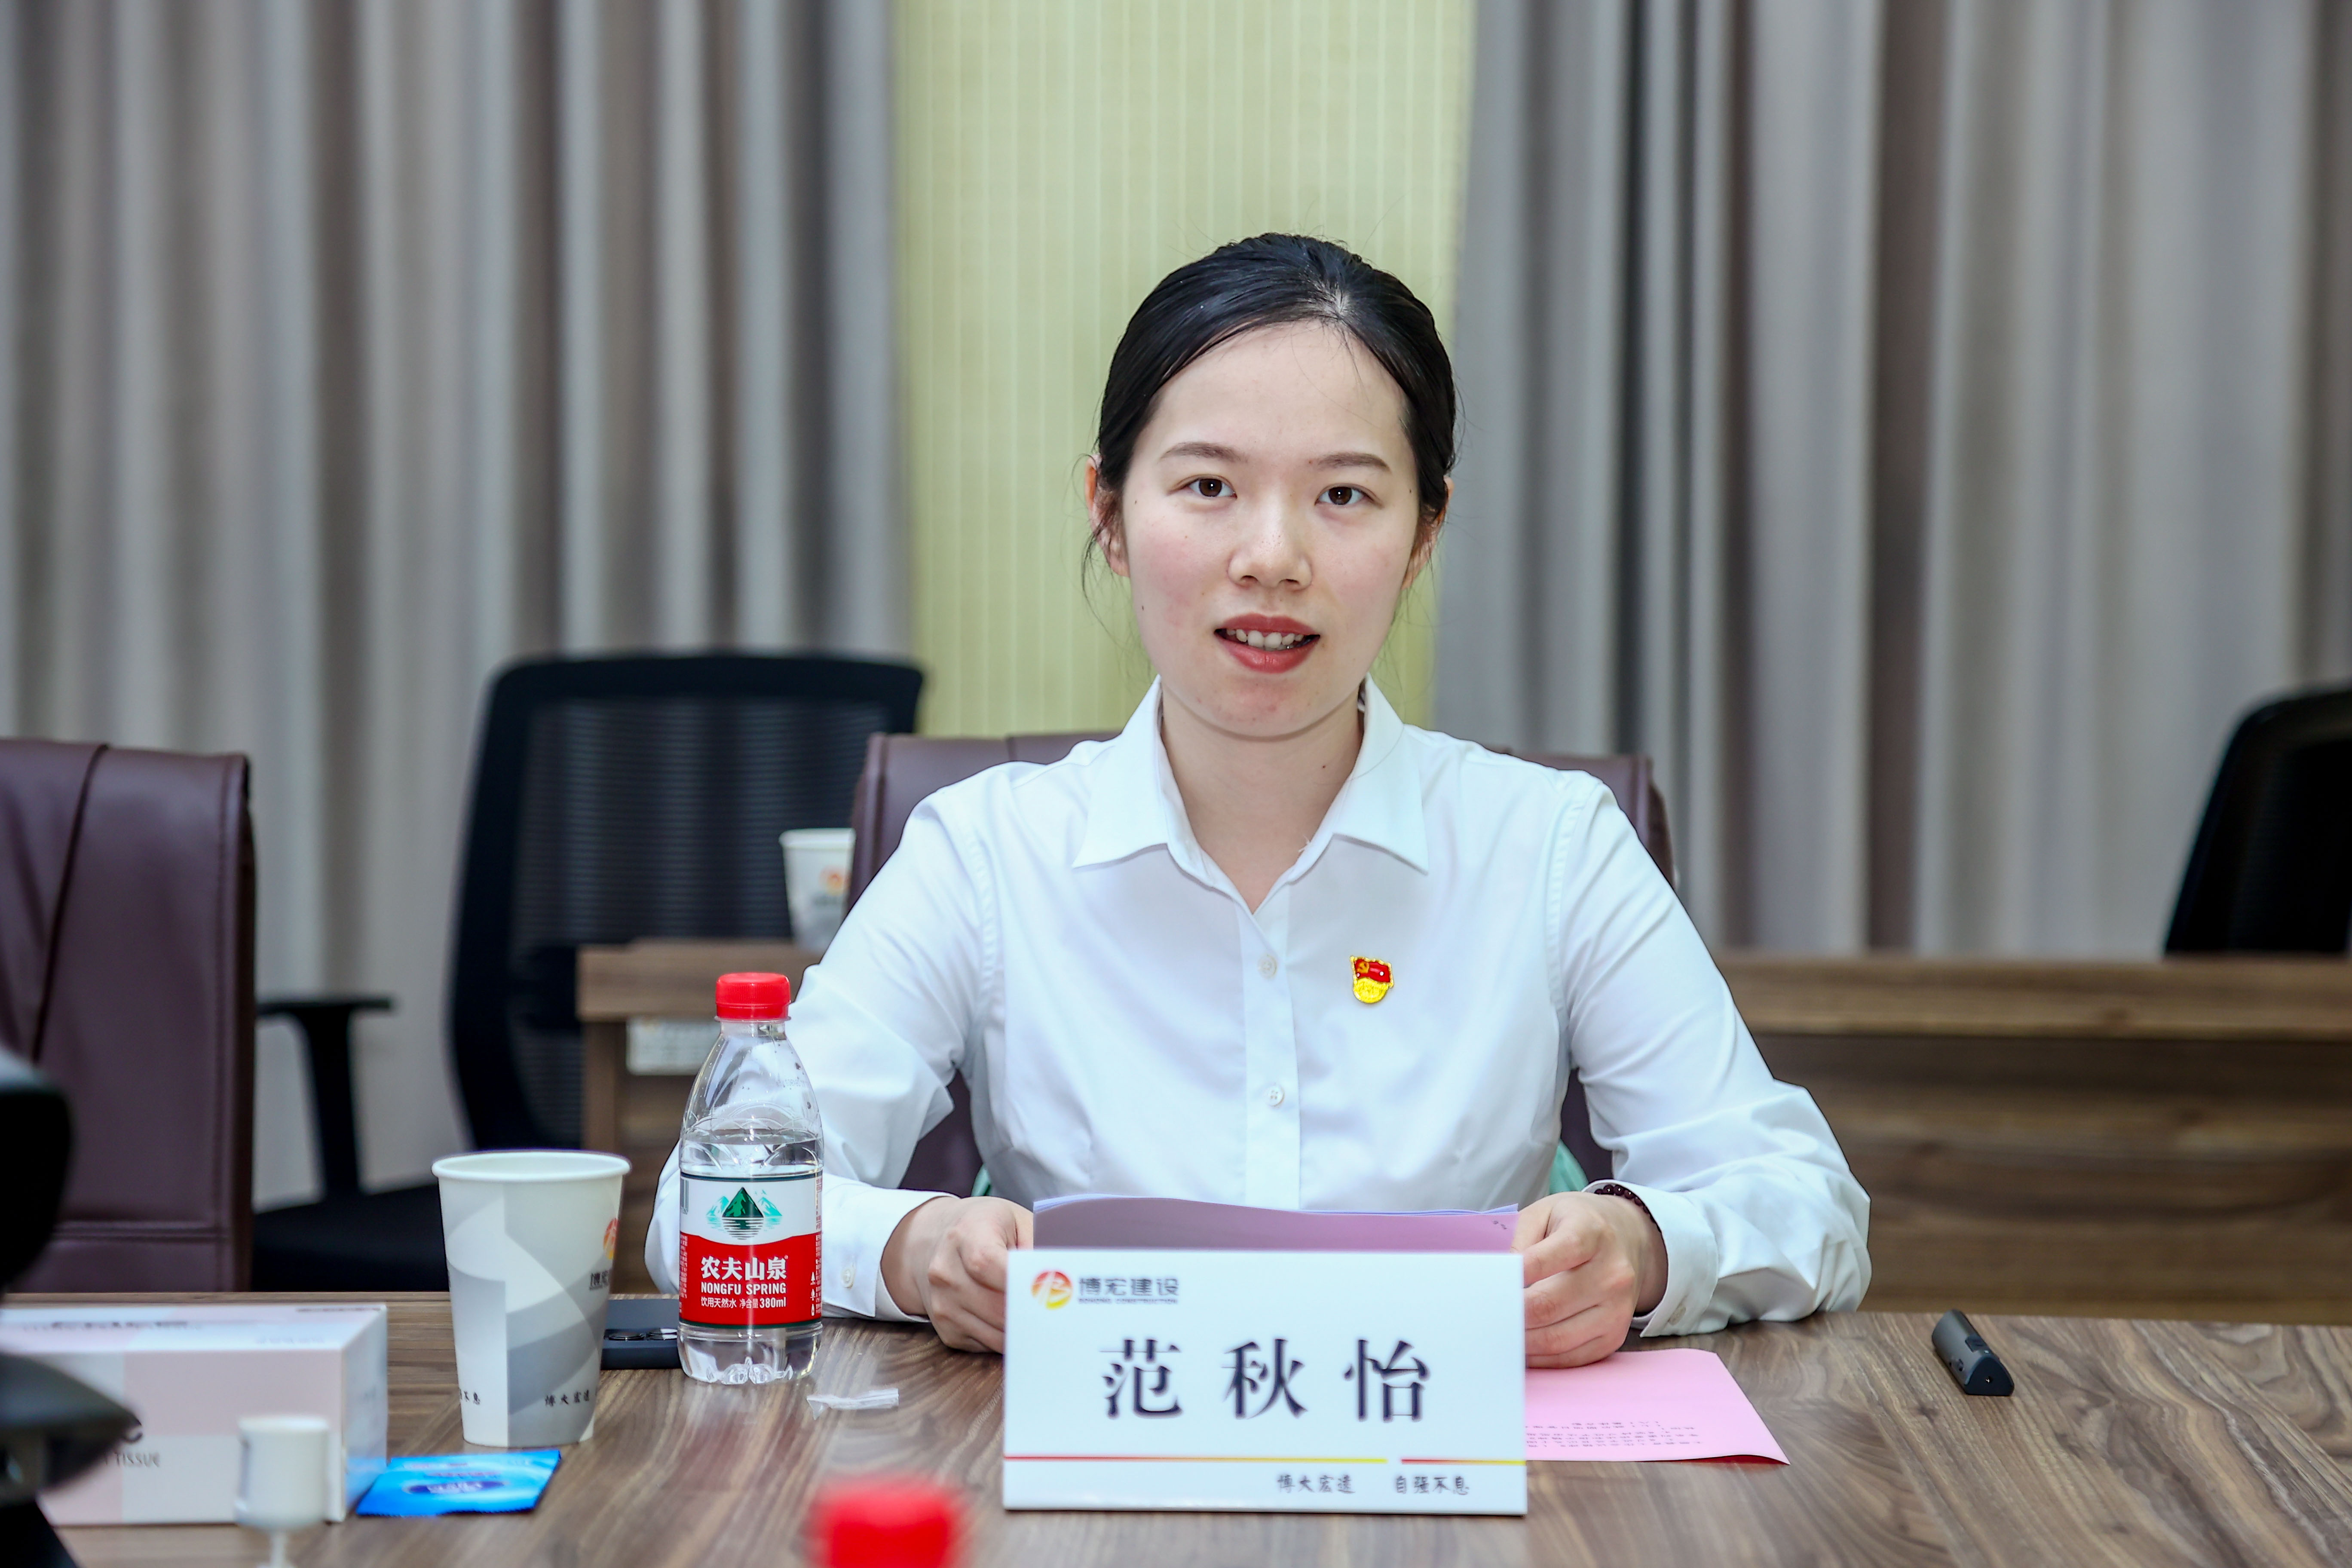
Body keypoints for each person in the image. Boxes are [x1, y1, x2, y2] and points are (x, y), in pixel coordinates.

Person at [648, 234, 1868, 1366]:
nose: (1272, 557)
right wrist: (914, 1252)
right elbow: (704, 1213)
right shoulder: (987, 851)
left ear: (1425, 532)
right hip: (1095, 1474)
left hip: (1444, 1469)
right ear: (1110, 515)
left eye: (1344, 496)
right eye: (1208, 486)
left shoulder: (1550, 848)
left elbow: (1809, 1203)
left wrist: (1646, 1248)